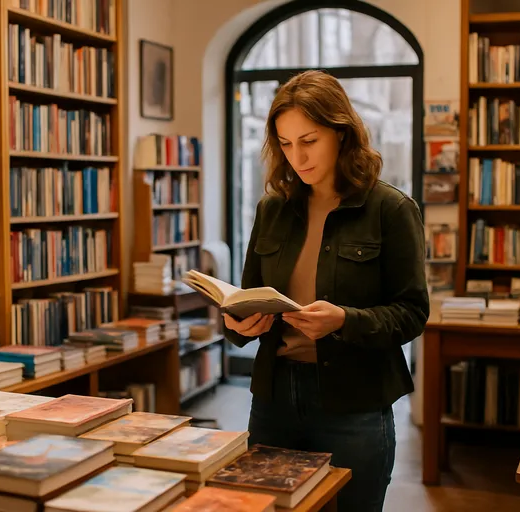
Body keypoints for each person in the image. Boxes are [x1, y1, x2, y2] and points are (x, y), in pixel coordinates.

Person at [222, 69, 430, 511]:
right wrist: (237, 323)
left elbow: (412, 312)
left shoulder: (391, 209)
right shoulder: (272, 208)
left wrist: (344, 321)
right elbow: (246, 299)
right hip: (274, 398)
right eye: (285, 143)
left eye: (309, 140)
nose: (297, 156)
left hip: (354, 402)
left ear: (341, 132)